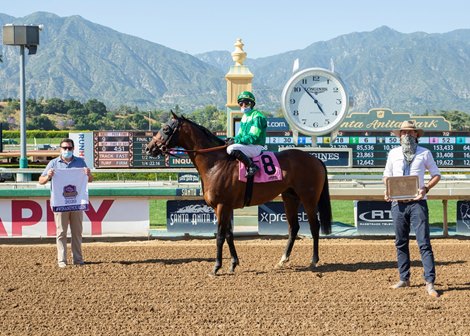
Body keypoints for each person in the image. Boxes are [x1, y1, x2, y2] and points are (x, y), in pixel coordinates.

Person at [383, 120, 441, 297]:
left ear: (416, 134)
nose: (406, 135)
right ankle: (404, 278)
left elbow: (436, 175)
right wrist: (387, 192)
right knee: (400, 242)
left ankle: (429, 282)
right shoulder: (393, 153)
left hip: (418, 203)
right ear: (399, 135)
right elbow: (387, 176)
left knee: (423, 242)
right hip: (397, 204)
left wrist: (426, 188)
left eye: (410, 132)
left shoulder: (425, 153)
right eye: (403, 132)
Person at [39, 138, 93, 268]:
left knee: (77, 232)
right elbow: (41, 180)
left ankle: (78, 259)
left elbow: (90, 180)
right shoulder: (53, 163)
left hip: (77, 202)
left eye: (69, 148)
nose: (67, 150)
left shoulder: (80, 162)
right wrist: (48, 176)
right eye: (64, 148)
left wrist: (88, 174)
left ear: (73, 149)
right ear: (60, 149)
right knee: (61, 232)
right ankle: (62, 260)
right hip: (60, 203)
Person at [226, 91, 267, 177]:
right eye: (241, 104)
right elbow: (240, 135)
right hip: (248, 145)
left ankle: (252, 166)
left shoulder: (257, 116)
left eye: (246, 103)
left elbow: (253, 137)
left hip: (255, 146)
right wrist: (232, 139)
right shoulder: (244, 117)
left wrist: (236, 141)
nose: (243, 106)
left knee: (231, 149)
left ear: (252, 104)